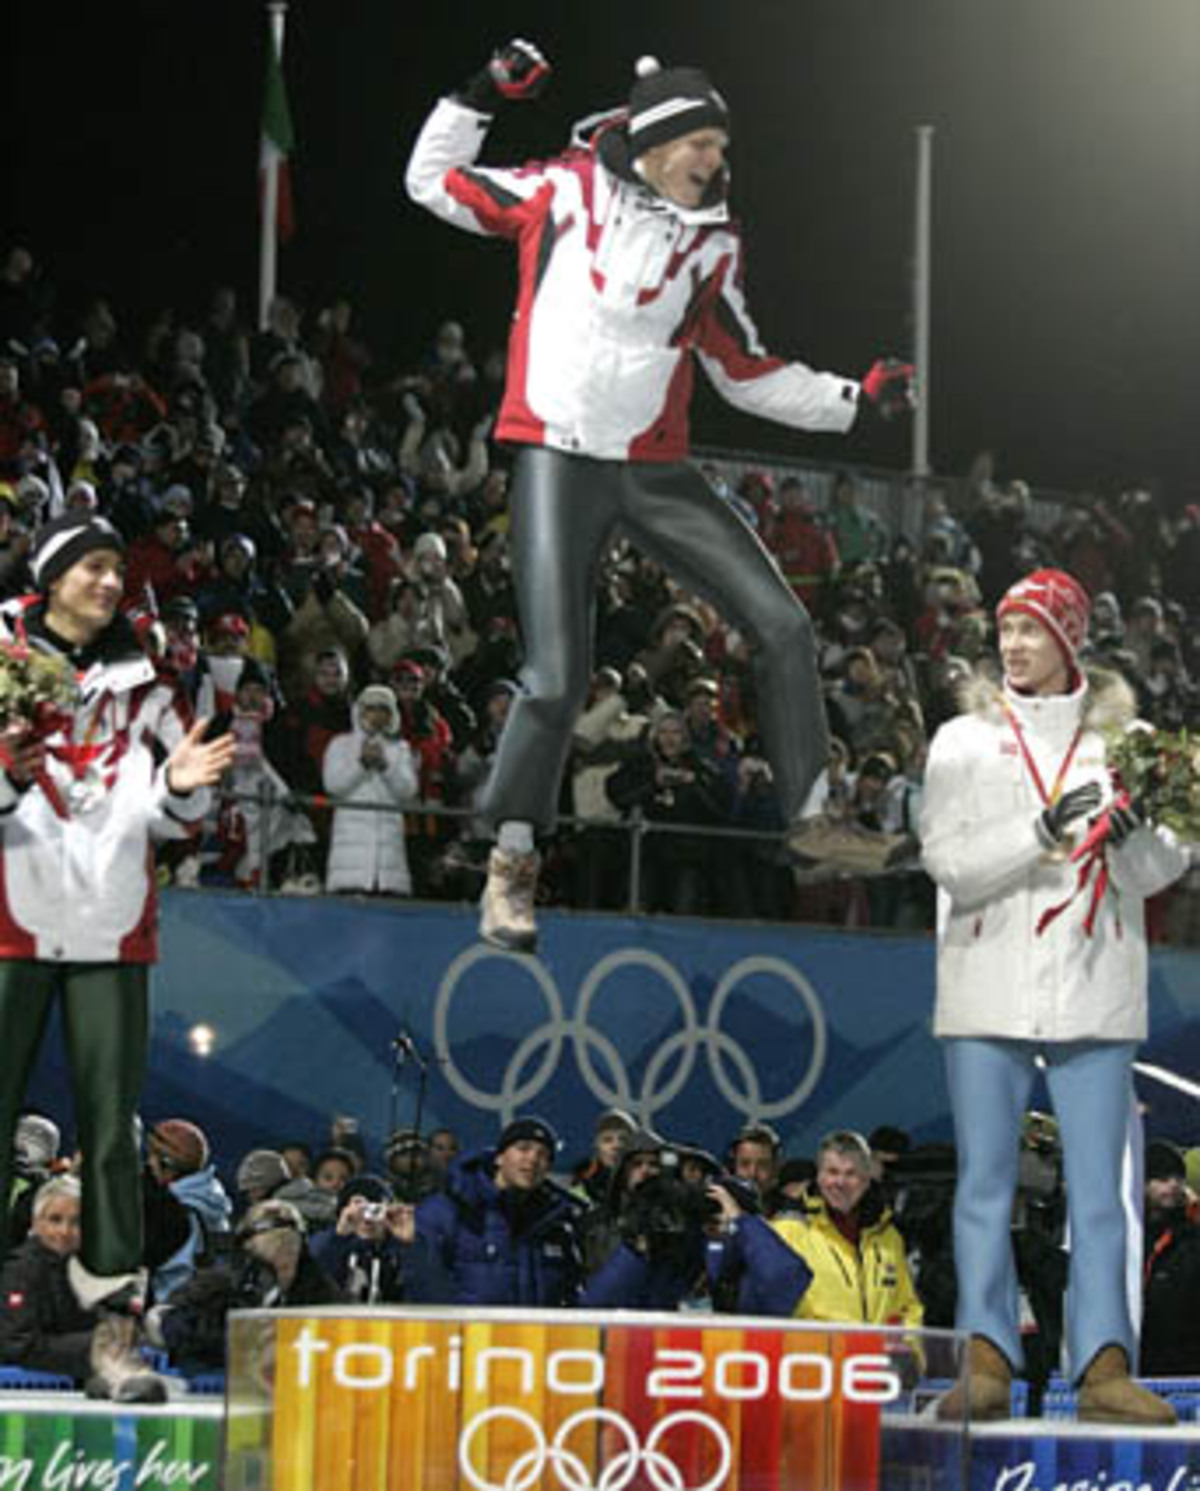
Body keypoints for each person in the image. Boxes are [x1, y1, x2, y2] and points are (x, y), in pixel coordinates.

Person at [406, 41, 912, 952]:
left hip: (655, 469)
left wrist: (855, 403)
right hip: (559, 460)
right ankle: (510, 868)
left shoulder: (712, 247)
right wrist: (478, 93)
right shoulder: (559, 194)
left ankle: (809, 825)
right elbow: (429, 183)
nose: (718, 163)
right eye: (703, 144)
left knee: (786, 625)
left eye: (722, 148)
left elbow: (744, 370)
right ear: (655, 141)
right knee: (557, 677)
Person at [919, 568, 1191, 1425]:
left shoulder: (1131, 743)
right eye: (1006, 629)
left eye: (1032, 629)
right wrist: (1037, 830)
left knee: (1102, 1192)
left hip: (1095, 984)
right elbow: (947, 861)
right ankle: (987, 1361)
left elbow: (1163, 868)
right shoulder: (961, 741)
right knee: (985, 1185)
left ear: (1070, 639)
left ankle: (1105, 1365)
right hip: (985, 982)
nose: (1013, 645)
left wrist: (1129, 834)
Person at [0, 512, 235, 1310]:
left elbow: (173, 814)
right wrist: (9, 775)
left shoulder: (150, 680)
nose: (108, 582)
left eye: (115, 569)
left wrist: (177, 786)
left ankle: (112, 1313)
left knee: (111, 1129)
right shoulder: (2, 659)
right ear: (50, 576)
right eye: (91, 566)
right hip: (11, 915)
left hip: (109, 921)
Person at [0, 1175, 167, 1401]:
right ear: (36, 1223)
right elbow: (16, 1344)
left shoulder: (98, 1266)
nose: (65, 1231)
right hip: (32, 1390)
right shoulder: (21, 1271)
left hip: (86, 1380)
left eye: (77, 1222)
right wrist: (93, 1346)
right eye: (55, 1220)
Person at [414, 1115, 584, 1306]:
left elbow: (574, 1297)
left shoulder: (558, 1222)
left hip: (538, 1335)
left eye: (543, 1154)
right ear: (500, 1157)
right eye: (523, 1148)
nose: (533, 1159)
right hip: (468, 1333)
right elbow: (423, 1286)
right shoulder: (449, 1208)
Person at [772, 1130, 923, 1338]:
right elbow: (767, 1307)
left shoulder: (888, 1235)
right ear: (819, 1176)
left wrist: (907, 1354)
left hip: (877, 1366)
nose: (840, 1182)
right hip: (816, 1364)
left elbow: (909, 1308)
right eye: (832, 1172)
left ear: (866, 1179)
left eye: (851, 1174)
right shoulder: (788, 1230)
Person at [1140, 1140, 1200, 1376]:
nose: (1174, 1185)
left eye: (1178, 1178)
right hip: (1141, 1365)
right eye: (1163, 1179)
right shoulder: (1128, 1236)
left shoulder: (1191, 1239)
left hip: (1185, 1368)